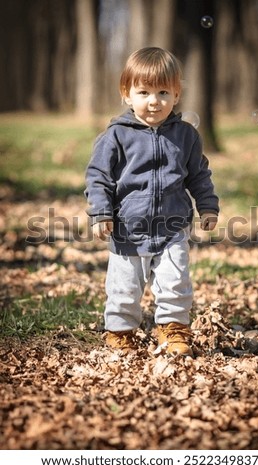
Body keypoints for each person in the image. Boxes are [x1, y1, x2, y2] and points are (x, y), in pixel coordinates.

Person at [84, 47, 219, 356]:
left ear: (176, 94)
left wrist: (207, 205)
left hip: (172, 227)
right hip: (127, 229)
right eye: (143, 92)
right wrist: (102, 212)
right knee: (125, 286)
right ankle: (120, 331)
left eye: (162, 92)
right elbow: (98, 177)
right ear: (127, 94)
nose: (154, 100)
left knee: (175, 281)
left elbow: (198, 174)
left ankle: (173, 329)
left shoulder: (185, 135)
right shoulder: (116, 136)